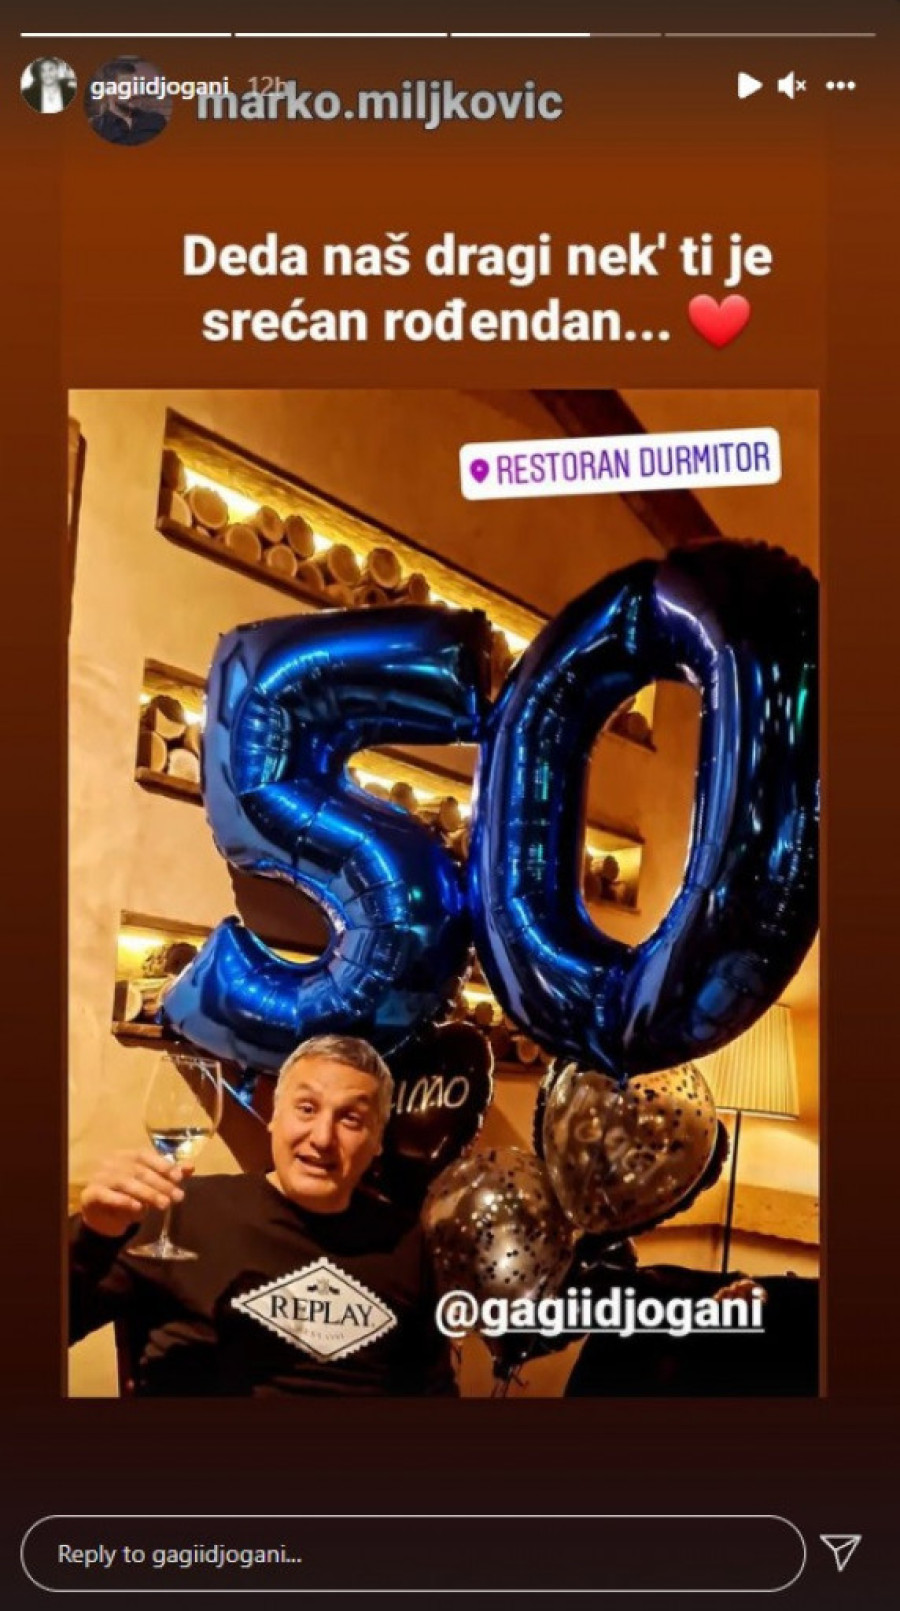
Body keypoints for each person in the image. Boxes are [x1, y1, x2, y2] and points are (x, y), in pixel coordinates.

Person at [69, 1035, 457, 1396]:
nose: (322, 1137)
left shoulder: (408, 1243)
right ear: (273, 1116)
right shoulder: (178, 1210)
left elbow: (434, 1390)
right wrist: (94, 1233)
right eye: (306, 1109)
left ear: (377, 1142)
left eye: (351, 1119)